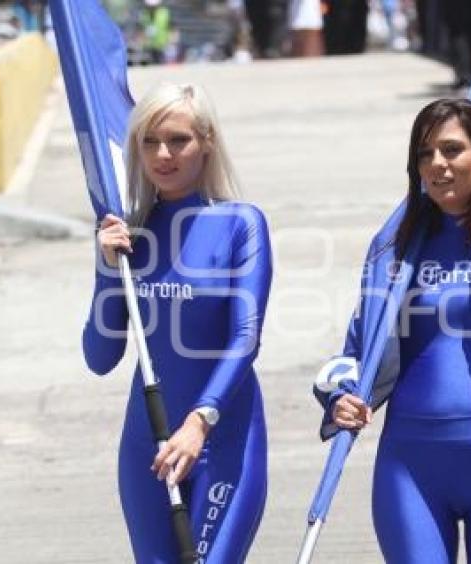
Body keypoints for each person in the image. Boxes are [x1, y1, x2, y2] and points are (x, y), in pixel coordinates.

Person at [315, 98, 471, 563]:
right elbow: (357, 350)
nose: (437, 164)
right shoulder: (394, 250)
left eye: (452, 150)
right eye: (424, 153)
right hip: (411, 470)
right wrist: (339, 395)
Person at [82, 83, 271, 563]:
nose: (163, 154)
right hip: (147, 441)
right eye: (149, 141)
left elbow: (244, 338)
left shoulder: (241, 223)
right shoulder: (131, 234)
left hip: (220, 436)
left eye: (178, 140)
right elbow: (100, 357)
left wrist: (199, 421)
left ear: (206, 141)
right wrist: (107, 266)